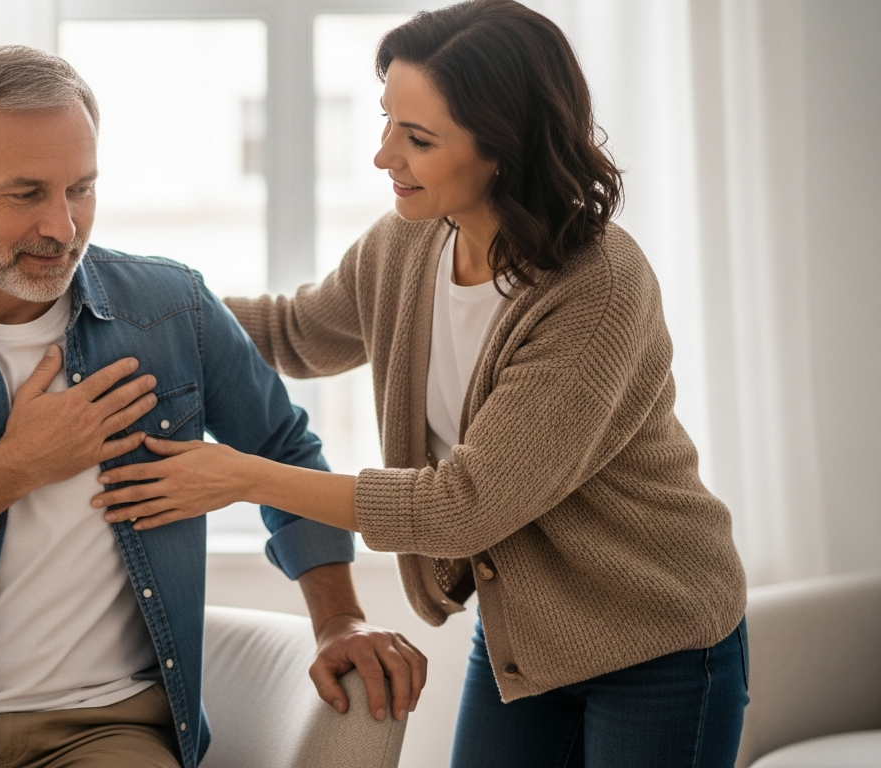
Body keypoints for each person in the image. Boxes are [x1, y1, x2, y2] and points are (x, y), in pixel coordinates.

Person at [88, 1, 750, 766]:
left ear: (504, 149)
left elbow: (463, 507)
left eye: (418, 139)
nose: (382, 156)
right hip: (527, 639)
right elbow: (294, 332)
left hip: (656, 641)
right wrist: (122, 302)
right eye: (386, 122)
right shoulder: (409, 242)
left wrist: (240, 478)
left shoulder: (596, 289)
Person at [0, 45, 425, 768]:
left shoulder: (172, 308)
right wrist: (18, 465)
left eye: (81, 188)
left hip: (106, 732)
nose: (62, 227)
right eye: (26, 194)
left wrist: (338, 618)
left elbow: (281, 449)